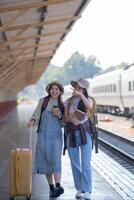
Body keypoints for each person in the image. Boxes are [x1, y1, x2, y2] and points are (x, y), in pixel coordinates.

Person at [27, 81, 64, 198]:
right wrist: (32, 121)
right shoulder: (43, 101)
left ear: (60, 91)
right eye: (52, 89)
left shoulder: (62, 104)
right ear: (49, 90)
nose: (54, 91)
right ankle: (52, 187)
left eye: (57, 89)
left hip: (57, 136)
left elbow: (64, 122)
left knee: (56, 159)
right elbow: (36, 115)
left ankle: (58, 185)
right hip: (43, 135)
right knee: (47, 160)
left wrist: (59, 115)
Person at [64, 78, 93, 200]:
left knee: (85, 163)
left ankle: (87, 190)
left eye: (79, 87)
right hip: (71, 133)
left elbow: (89, 107)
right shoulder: (68, 101)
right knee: (75, 163)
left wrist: (80, 95)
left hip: (84, 133)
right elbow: (65, 119)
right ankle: (80, 188)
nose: (76, 88)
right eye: (76, 86)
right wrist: (68, 116)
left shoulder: (88, 99)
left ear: (84, 90)